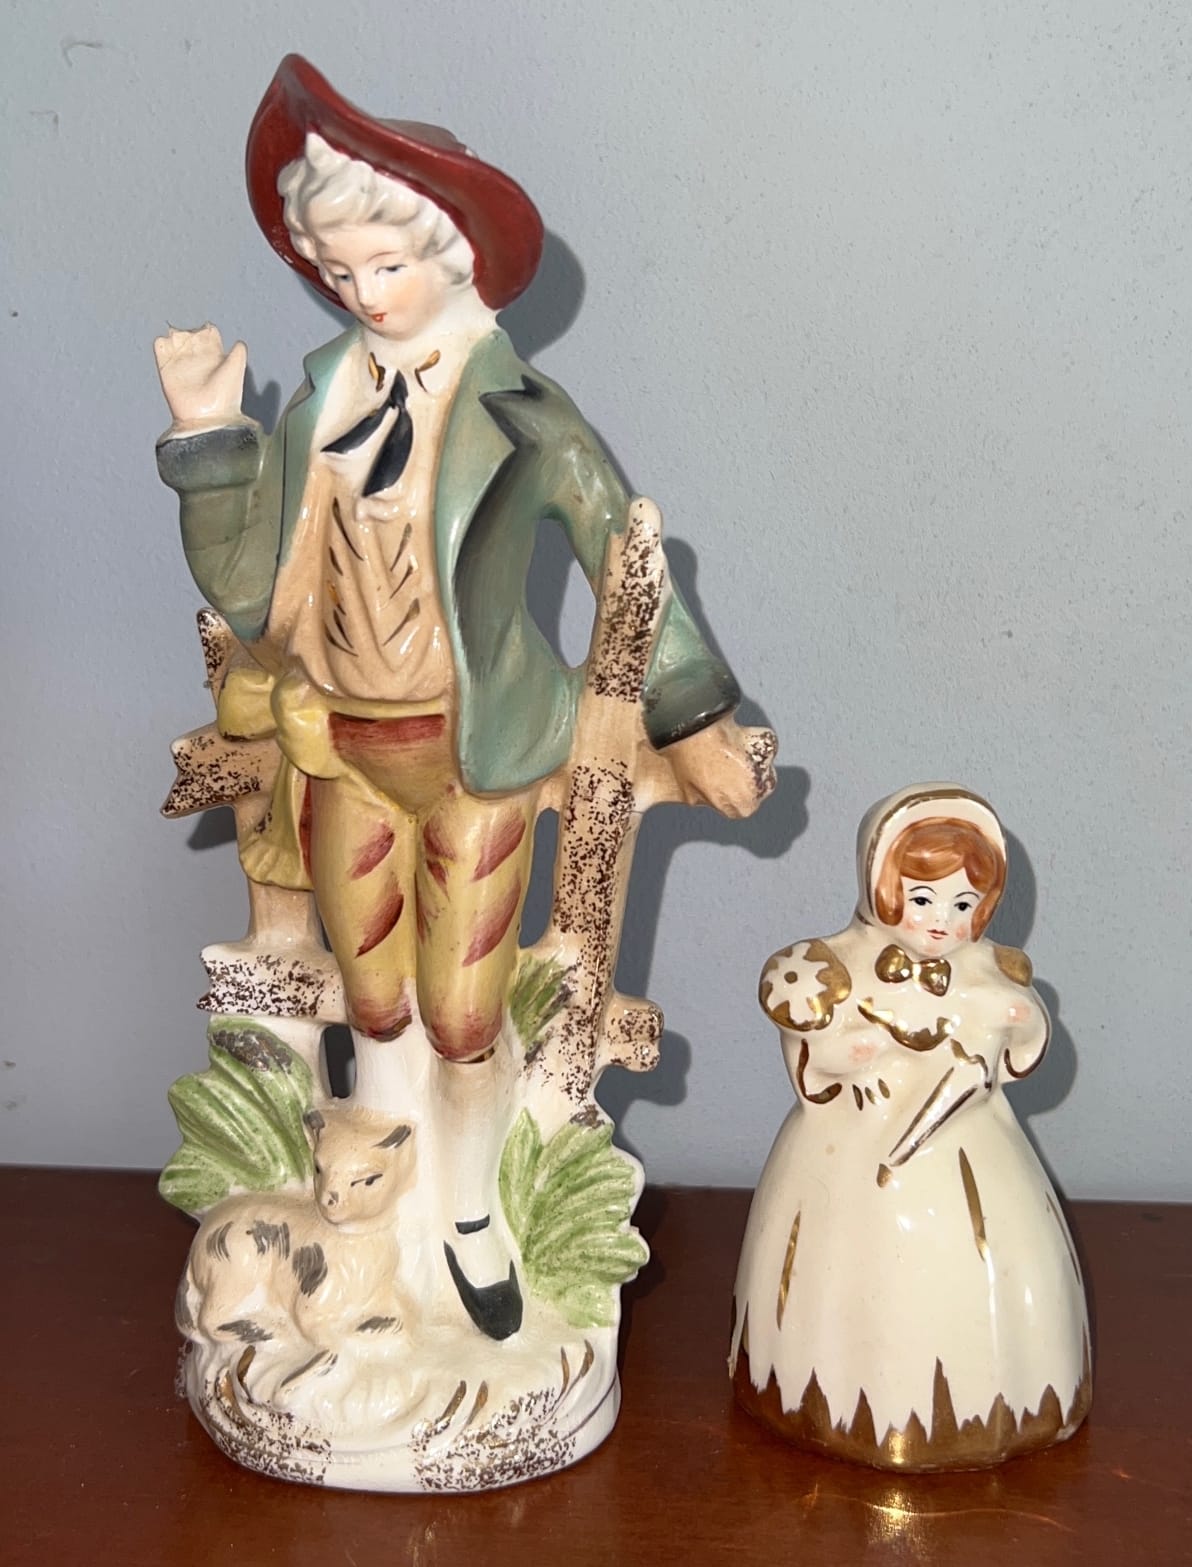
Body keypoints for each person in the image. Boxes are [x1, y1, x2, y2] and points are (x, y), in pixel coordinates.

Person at [155, 57, 772, 1336]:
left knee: (461, 1010)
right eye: (338, 271)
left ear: (455, 255)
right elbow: (254, 591)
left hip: (474, 757)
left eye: (386, 263)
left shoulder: (525, 415)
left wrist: (697, 715)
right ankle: (386, 1214)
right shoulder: (320, 406)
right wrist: (211, 443)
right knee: (373, 998)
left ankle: (475, 1212)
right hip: (340, 750)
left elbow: (619, 548)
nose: (362, 292)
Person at [731, 784, 1090, 1469]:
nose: (941, 922)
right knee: (845, 1275)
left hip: (971, 1150)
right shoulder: (834, 965)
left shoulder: (989, 968)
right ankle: (836, 1396)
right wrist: (846, 1052)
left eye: (962, 904)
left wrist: (1023, 1021)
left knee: (994, 1264)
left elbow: (1023, 1050)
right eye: (923, 899)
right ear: (881, 886)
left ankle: (998, 1400)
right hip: (852, 1155)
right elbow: (805, 1048)